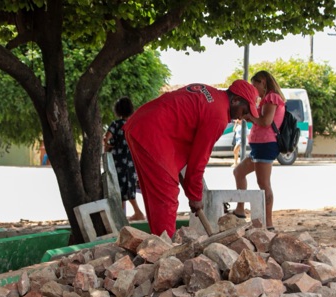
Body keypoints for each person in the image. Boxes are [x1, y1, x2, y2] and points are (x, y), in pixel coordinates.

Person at [124, 80, 259, 237]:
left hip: (141, 124)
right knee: (166, 197)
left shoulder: (210, 93)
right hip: (153, 132)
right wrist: (195, 196)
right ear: (236, 100)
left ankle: (156, 243)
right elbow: (198, 159)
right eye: (246, 110)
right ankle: (164, 253)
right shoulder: (218, 116)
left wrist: (191, 190)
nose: (245, 117)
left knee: (156, 194)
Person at [232, 71, 285, 231]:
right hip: (259, 146)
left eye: (256, 85)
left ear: (264, 83)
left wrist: (251, 117)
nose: (254, 89)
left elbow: (266, 121)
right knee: (239, 173)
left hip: (266, 144)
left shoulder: (272, 98)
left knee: (264, 184)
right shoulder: (265, 99)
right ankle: (240, 210)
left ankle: (268, 223)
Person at [103, 97, 146, 222]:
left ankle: (133, 213)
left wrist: (110, 145)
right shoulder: (134, 124)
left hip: (119, 160)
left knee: (119, 186)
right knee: (129, 185)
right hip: (131, 160)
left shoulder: (115, 124)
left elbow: (107, 138)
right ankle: (129, 214)